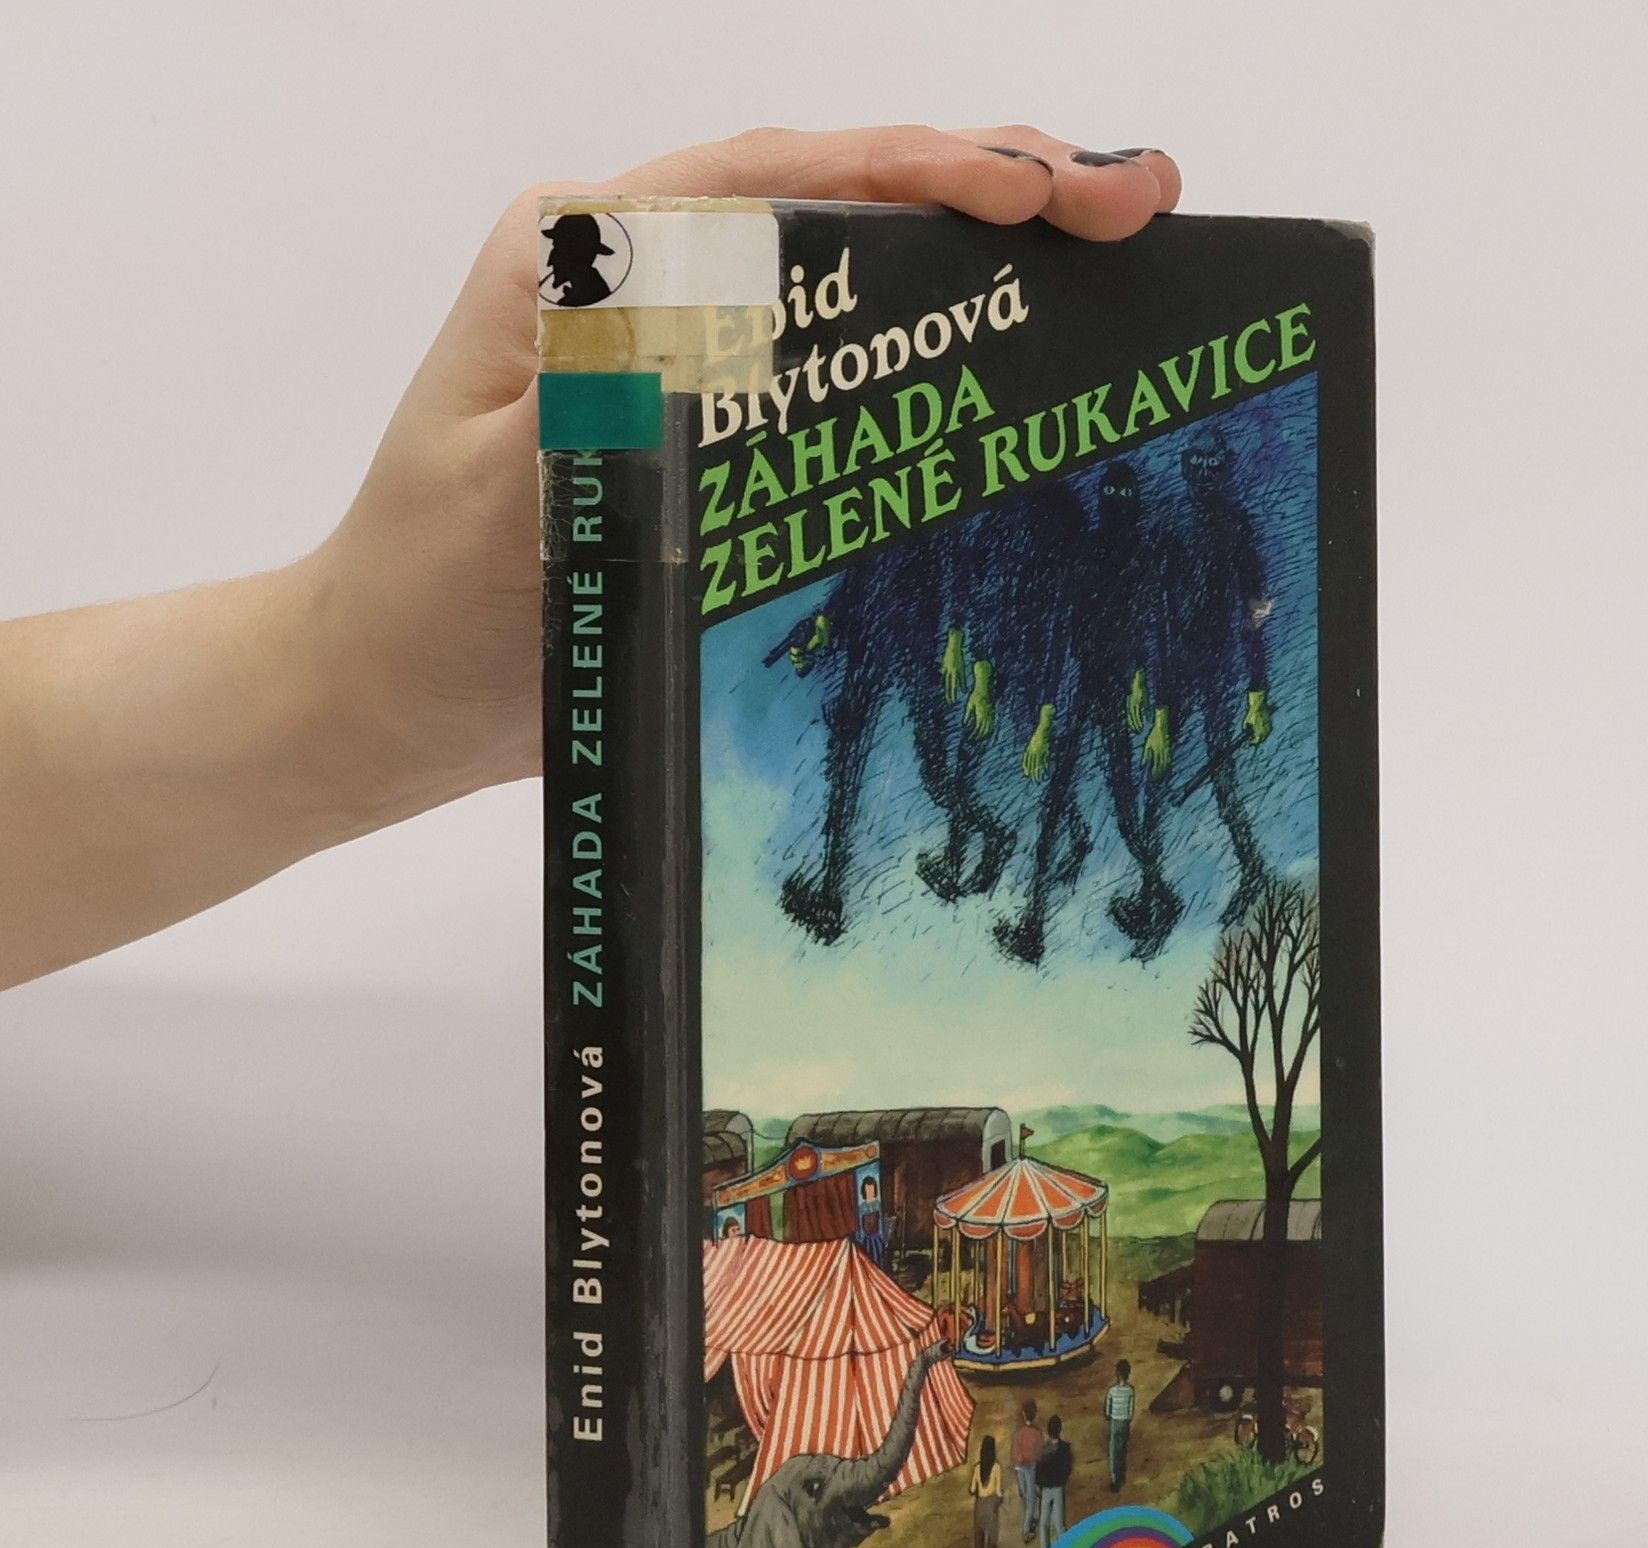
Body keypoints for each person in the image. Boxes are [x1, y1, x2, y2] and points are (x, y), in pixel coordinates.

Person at [0, 128, 1180, 990]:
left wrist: (353, 684)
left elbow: (959, 598)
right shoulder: (916, 517)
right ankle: (874, 872)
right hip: (877, 649)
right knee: (855, 767)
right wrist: (354, 680)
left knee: (929, 765)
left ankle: (987, 845)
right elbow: (877, 586)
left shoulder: (1006, 538)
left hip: (921, 659)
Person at [967, 1434, 1004, 1548]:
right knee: (992, 1537)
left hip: (979, 1506)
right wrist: (1000, 1499)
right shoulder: (996, 1467)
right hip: (991, 1505)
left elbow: (971, 1489)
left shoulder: (977, 1468)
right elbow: (999, 1491)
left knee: (978, 1540)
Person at [1035, 1414, 1073, 1547]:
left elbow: (1038, 1470)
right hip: (1058, 1487)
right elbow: (1068, 1469)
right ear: (1059, 1430)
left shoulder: (1043, 1449)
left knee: (1044, 1521)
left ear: (1048, 1431)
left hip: (1046, 1489)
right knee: (1059, 1522)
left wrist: (1038, 1485)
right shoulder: (1065, 1448)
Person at [1011, 1399, 1043, 1542]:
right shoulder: (1037, 1434)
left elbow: (1015, 1453)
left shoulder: (1018, 1433)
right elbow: (1039, 1453)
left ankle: (1028, 1525)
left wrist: (1020, 1460)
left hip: (1020, 1467)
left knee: (1025, 1496)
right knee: (1030, 1498)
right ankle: (1027, 1528)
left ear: (1023, 1414)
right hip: (1030, 1468)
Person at [1104, 1359, 1136, 1491]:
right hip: (1125, 1423)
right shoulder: (1130, 1391)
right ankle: (1122, 1476)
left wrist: (1110, 1416)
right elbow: (1131, 1411)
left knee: (1113, 1451)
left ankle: (1114, 1479)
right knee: (1122, 1449)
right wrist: (1127, 1419)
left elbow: (1107, 1411)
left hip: (1114, 1422)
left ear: (1117, 1374)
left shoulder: (1112, 1391)